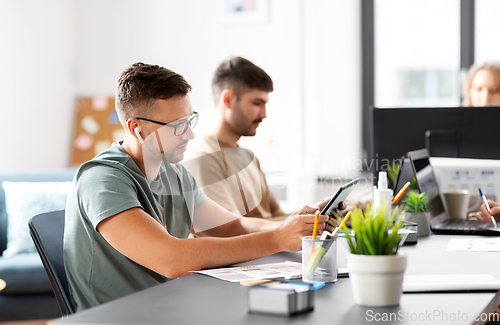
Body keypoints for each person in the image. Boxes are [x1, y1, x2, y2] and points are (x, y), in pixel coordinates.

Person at [64, 62, 337, 311]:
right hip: (123, 316)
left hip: (172, 305)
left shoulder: (173, 173)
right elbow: (172, 259)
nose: (190, 134)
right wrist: (276, 239)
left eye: (189, 120)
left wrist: (295, 223)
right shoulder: (102, 180)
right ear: (136, 128)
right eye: (178, 126)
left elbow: (231, 226)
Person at [183, 57, 289, 219]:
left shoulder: (249, 158)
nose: (264, 114)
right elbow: (231, 232)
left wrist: (318, 216)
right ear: (228, 100)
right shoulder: (204, 158)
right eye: (256, 103)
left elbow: (277, 218)